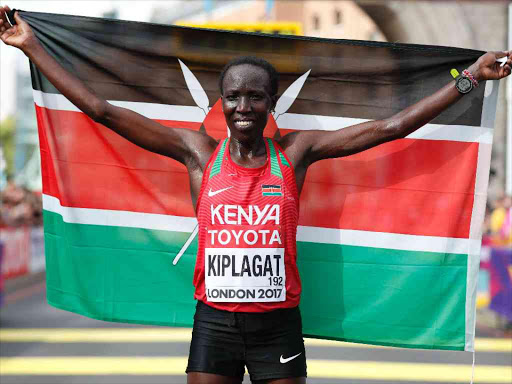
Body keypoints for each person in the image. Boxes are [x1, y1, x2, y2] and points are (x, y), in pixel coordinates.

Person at [1, 6, 511, 384]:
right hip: (214, 325)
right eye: (233, 96)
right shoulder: (199, 154)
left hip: (278, 328)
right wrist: (30, 45)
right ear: (221, 104)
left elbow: (392, 126)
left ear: (271, 103)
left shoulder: (296, 152)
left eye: (254, 95)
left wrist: (470, 79)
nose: (243, 105)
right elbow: (102, 110)